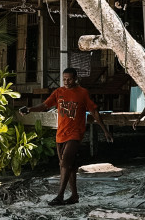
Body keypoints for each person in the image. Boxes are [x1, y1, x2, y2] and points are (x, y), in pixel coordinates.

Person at [22, 67, 112, 206]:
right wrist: (29, 109)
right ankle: (74, 196)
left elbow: (94, 112)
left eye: (69, 79)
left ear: (75, 78)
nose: (67, 81)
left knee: (65, 163)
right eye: (64, 79)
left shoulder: (82, 93)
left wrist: (105, 130)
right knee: (69, 166)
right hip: (60, 134)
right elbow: (45, 105)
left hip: (75, 133)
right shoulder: (59, 92)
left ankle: (59, 196)